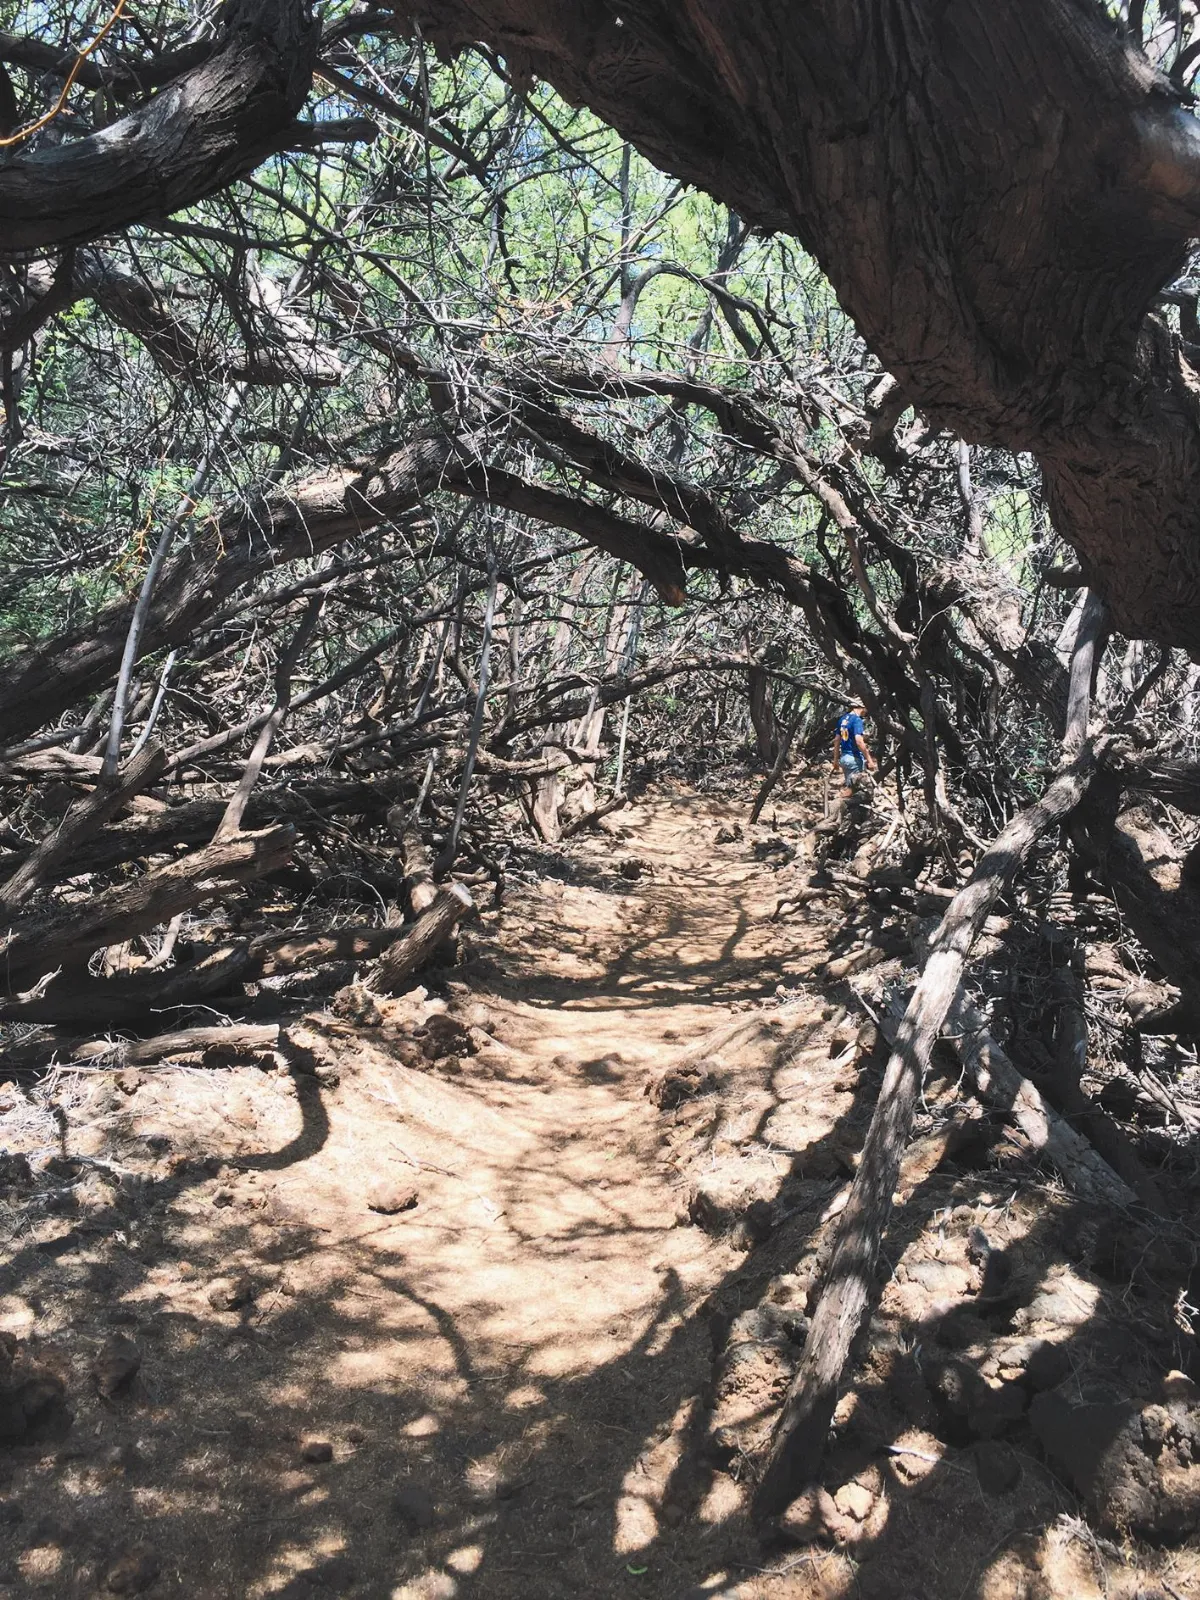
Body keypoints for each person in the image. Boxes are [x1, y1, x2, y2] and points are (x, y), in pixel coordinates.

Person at [832, 699, 876, 797]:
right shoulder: (857, 720)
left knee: (850, 786)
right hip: (854, 759)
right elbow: (859, 740)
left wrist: (835, 760)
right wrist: (869, 760)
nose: (866, 711)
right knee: (857, 790)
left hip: (844, 758)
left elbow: (836, 740)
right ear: (861, 707)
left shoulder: (843, 719)